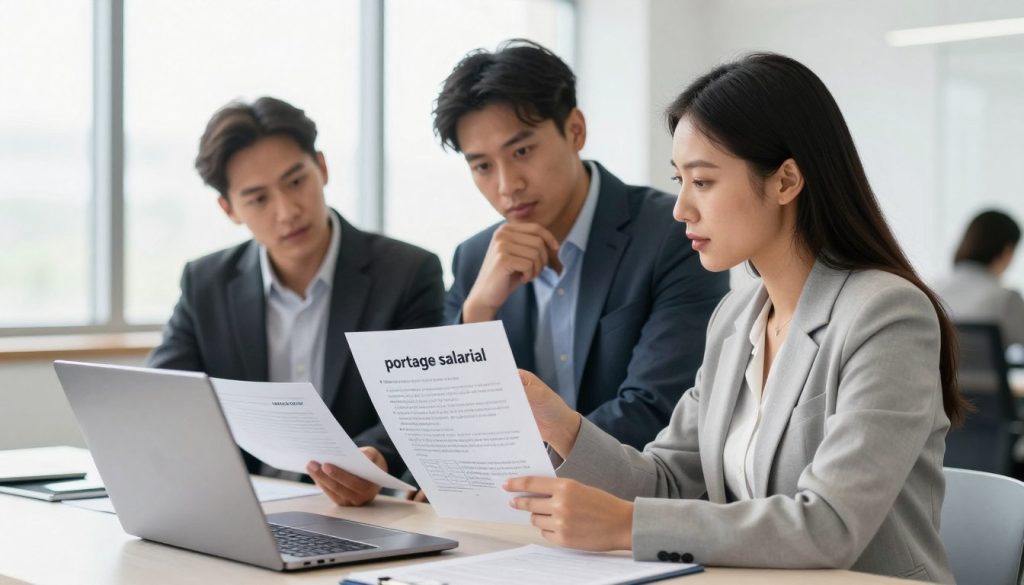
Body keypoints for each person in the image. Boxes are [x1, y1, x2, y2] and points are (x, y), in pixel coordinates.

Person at [503, 53, 966, 583]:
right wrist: (561, 425)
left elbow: (830, 525)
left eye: (702, 182)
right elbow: (668, 481)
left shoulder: (887, 315)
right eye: (680, 180)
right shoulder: (735, 317)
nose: (681, 208)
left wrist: (627, 526)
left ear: (786, 181)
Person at [147, 97, 445, 506]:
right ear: (229, 209)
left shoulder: (407, 273)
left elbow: (423, 401)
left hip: (360, 510)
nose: (287, 211)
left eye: (295, 181)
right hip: (246, 506)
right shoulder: (206, 283)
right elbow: (162, 398)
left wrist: (376, 458)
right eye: (258, 199)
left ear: (321, 168)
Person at [434, 40, 729, 451]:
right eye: (483, 166)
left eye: (522, 151)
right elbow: (443, 423)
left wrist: (513, 467)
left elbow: (656, 410)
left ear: (575, 130)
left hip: (632, 503)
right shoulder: (474, 258)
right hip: (507, 509)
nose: (507, 186)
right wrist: (479, 311)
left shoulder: (673, 234)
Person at [935, 209, 1024, 348]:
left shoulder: (931, 290)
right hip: (986, 371)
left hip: (936, 370)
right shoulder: (1006, 299)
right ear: (1007, 251)